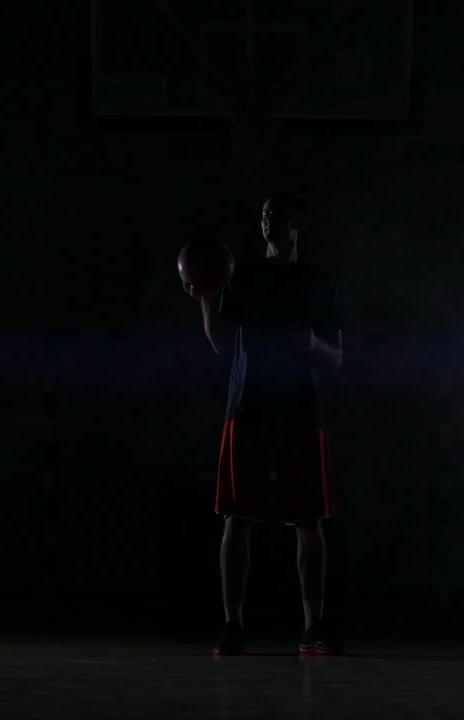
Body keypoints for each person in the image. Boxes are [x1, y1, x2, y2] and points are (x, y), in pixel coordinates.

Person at [184, 190, 345, 656]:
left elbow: (337, 357)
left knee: (309, 520)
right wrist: (206, 300)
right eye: (264, 214)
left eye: (277, 214)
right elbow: (221, 343)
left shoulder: (319, 280)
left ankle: (313, 627)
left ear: (299, 223)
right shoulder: (242, 275)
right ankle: (232, 625)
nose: (268, 220)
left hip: (300, 409)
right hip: (248, 406)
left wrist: (315, 342)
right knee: (237, 518)